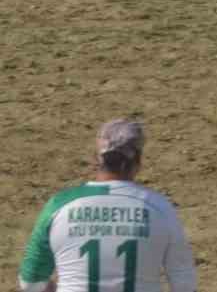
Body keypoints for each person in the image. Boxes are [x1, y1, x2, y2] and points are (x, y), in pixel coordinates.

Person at [17, 119, 197, 292]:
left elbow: (29, 282)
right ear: (138, 162)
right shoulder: (160, 208)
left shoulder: (59, 206)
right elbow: (184, 282)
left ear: (96, 159)